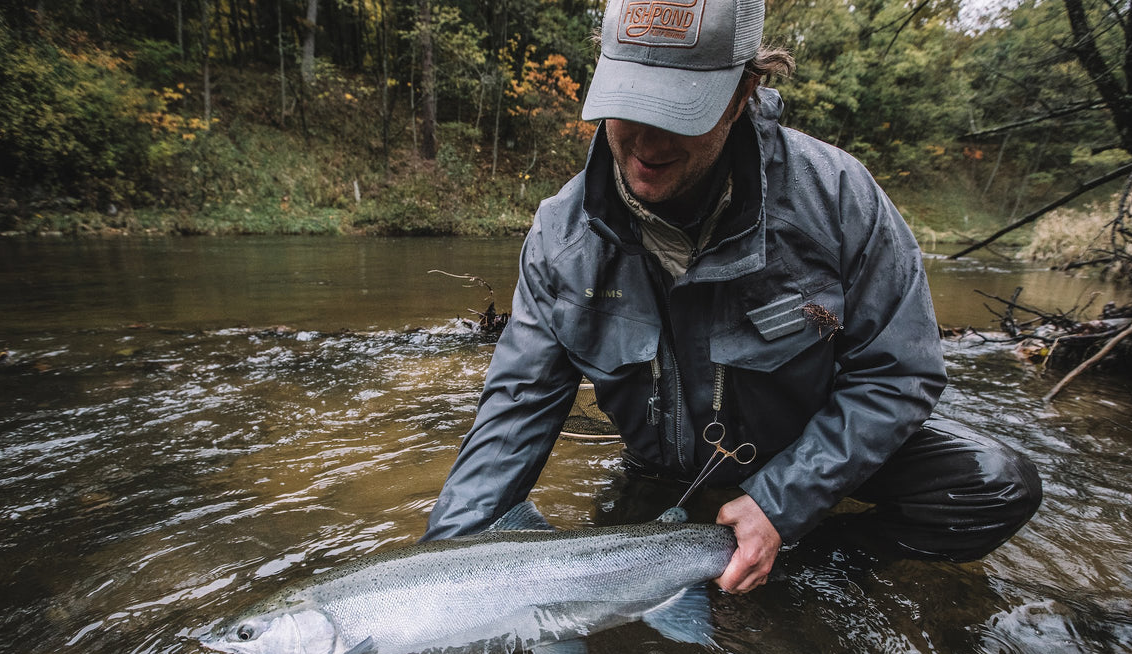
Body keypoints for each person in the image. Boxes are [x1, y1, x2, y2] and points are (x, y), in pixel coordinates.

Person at [423, 0, 1042, 592]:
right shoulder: (562, 237)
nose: (648, 142)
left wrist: (783, 505)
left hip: (802, 450)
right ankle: (709, 562)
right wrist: (435, 576)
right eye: (630, 106)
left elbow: (897, 375)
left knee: (993, 486)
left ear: (743, 93)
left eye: (680, 112)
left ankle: (802, 569)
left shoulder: (838, 199)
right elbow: (515, 410)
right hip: (665, 473)